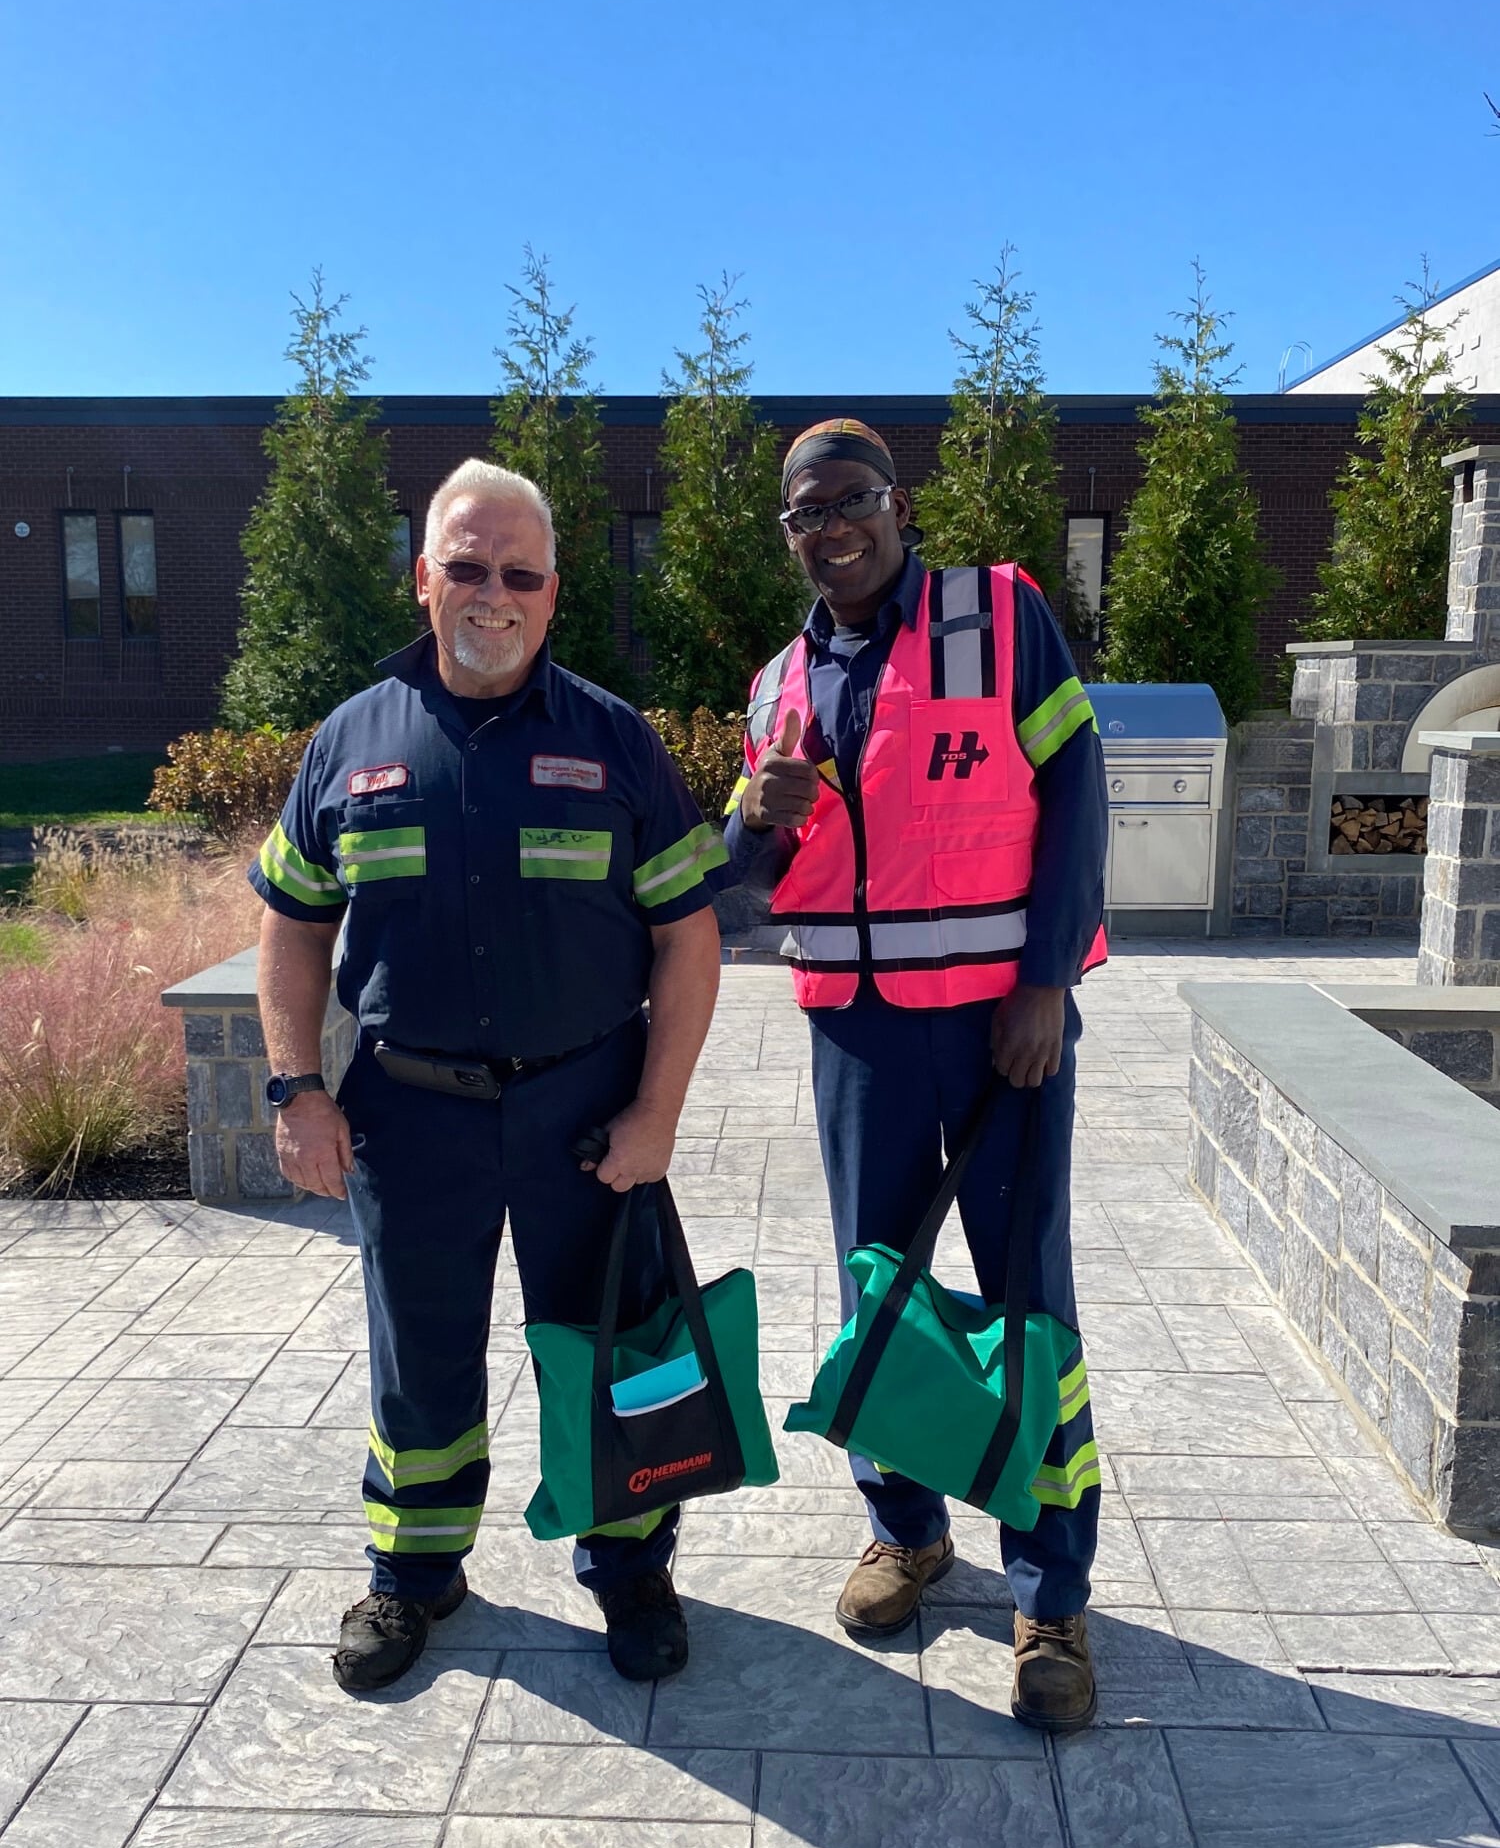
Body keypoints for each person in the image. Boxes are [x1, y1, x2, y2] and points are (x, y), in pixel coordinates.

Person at [249, 458, 726, 1692]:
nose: (492, 593)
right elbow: (292, 926)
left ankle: (629, 1567)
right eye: (467, 565)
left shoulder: (617, 740)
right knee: (421, 1348)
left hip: (584, 1106)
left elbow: (689, 936)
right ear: (425, 578)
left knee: (611, 1341)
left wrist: (657, 1113)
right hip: (408, 1112)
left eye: (520, 573)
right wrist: (295, 1088)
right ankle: (415, 1570)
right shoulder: (348, 742)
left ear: (554, 594)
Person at [724, 418, 1109, 1732]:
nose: (831, 526)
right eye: (805, 513)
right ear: (789, 535)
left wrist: (1045, 981)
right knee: (875, 1291)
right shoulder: (782, 682)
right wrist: (748, 823)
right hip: (860, 1036)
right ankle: (907, 1530)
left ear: (896, 505)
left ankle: (1050, 1592)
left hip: (1005, 1029)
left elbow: (1078, 787)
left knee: (1024, 1302)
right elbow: (756, 883)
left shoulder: (999, 617)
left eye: (852, 499)